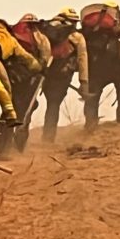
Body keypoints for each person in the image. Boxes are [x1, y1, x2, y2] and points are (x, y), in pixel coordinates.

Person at [39, 7, 90, 142]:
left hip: (43, 73)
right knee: (53, 105)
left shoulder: (45, 31)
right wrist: (83, 82)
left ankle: (17, 138)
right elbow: (82, 59)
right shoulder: (77, 37)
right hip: (62, 75)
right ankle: (48, 138)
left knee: (32, 104)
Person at [80, 1, 120, 131]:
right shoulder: (116, 19)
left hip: (94, 63)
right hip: (113, 60)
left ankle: (90, 124)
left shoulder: (89, 24)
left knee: (93, 93)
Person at [7, 13, 53, 150]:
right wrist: (42, 69)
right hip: (29, 79)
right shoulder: (40, 38)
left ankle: (5, 145)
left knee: (11, 110)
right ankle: (18, 144)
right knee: (25, 110)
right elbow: (45, 58)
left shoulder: (11, 35)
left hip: (13, 77)